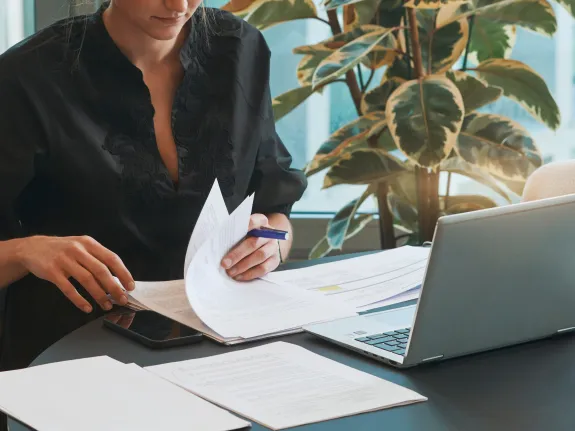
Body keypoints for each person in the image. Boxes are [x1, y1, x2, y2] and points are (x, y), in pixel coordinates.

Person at [0, 0, 307, 371]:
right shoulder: (27, 76)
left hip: (222, 345)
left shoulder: (241, 48)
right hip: (73, 357)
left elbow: (277, 209)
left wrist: (271, 245)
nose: (179, 5)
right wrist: (25, 252)